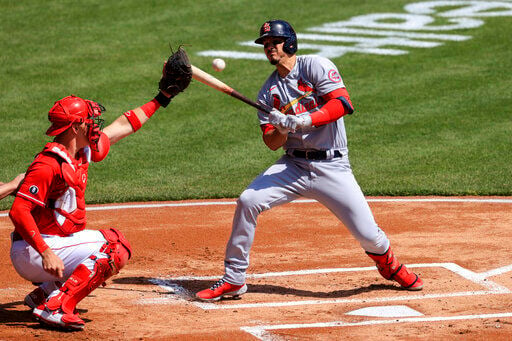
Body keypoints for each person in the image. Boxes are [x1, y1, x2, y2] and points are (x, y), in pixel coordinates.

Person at [196, 19, 423, 302]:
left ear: (289, 42)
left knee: (369, 236)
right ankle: (233, 279)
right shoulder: (268, 92)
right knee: (248, 201)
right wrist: (280, 127)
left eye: (273, 42)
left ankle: (390, 266)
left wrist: (301, 120)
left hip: (332, 166)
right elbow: (270, 142)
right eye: (265, 45)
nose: (269, 48)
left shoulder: (315, 66)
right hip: (293, 166)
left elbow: (342, 104)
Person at [9, 60, 189, 330]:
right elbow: (18, 211)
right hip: (33, 251)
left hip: (50, 243)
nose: (94, 124)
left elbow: (122, 127)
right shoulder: (48, 164)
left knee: (109, 239)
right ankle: (57, 306)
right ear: (74, 128)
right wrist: (46, 253)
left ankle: (44, 293)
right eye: (88, 121)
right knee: (114, 248)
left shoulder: (81, 151)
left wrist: (162, 96)